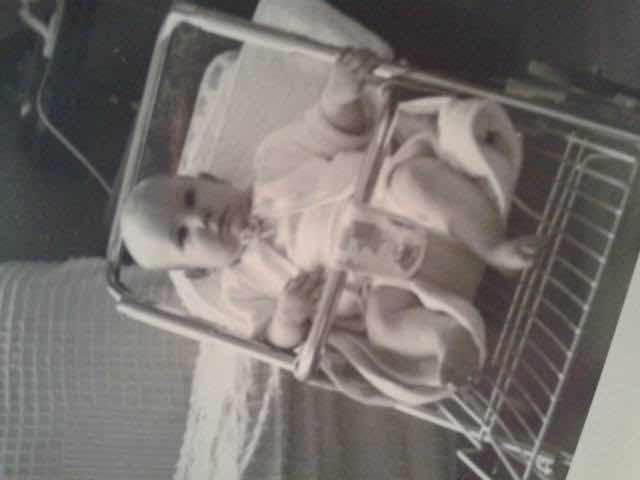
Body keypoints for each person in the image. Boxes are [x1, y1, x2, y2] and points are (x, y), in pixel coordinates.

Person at [121, 48, 541, 386]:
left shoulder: (272, 163)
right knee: (382, 327)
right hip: (389, 280)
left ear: (211, 180)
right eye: (183, 236)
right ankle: (447, 336)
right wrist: (289, 315)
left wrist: (340, 95)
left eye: (191, 197)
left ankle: (494, 247)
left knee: (414, 179)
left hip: (403, 204)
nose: (201, 219)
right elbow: (275, 339)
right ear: (197, 271)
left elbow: (330, 129)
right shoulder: (241, 286)